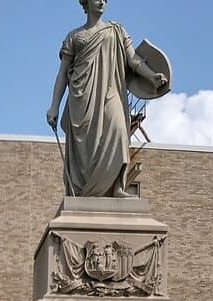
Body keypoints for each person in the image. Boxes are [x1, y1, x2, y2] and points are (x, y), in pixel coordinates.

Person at [46, 0, 169, 198]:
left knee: (120, 130)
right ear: (86, 3)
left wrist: (151, 75)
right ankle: (85, 192)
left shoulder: (116, 30)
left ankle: (117, 187)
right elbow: (62, 75)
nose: (102, 1)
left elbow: (133, 60)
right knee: (87, 151)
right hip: (82, 98)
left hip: (111, 92)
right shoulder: (74, 36)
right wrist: (54, 106)